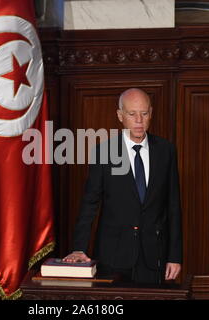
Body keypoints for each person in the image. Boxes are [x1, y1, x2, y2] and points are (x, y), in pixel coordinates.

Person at [63, 88, 182, 284]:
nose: (139, 120)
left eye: (144, 114)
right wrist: (79, 248)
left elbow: (173, 206)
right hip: (113, 257)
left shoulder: (166, 151)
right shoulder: (104, 152)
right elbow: (89, 204)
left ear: (151, 114)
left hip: (154, 258)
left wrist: (175, 256)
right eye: (132, 113)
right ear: (120, 116)